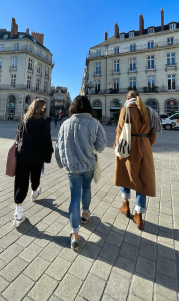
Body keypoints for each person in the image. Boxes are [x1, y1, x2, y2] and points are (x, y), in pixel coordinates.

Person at [55, 95, 107, 251]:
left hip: (72, 167)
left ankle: (75, 235)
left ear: (73, 108)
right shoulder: (95, 123)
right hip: (89, 165)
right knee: (87, 188)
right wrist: (91, 151)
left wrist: (60, 162)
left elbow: (58, 146)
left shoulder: (65, 124)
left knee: (74, 197)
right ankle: (85, 214)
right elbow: (102, 145)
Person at [114, 90, 162, 230]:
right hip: (144, 146)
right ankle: (139, 215)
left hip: (128, 147)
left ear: (127, 98)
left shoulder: (126, 110)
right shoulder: (149, 111)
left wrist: (117, 148)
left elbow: (120, 131)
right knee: (142, 179)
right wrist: (146, 145)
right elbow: (154, 133)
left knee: (126, 175)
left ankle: (125, 205)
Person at [13, 99, 53, 228]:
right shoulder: (44, 120)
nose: (45, 108)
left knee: (20, 181)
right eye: (44, 107)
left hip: (23, 154)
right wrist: (50, 149)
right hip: (37, 155)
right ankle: (35, 192)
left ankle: (18, 212)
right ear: (40, 108)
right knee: (35, 175)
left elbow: (18, 135)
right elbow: (46, 137)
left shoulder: (24, 118)